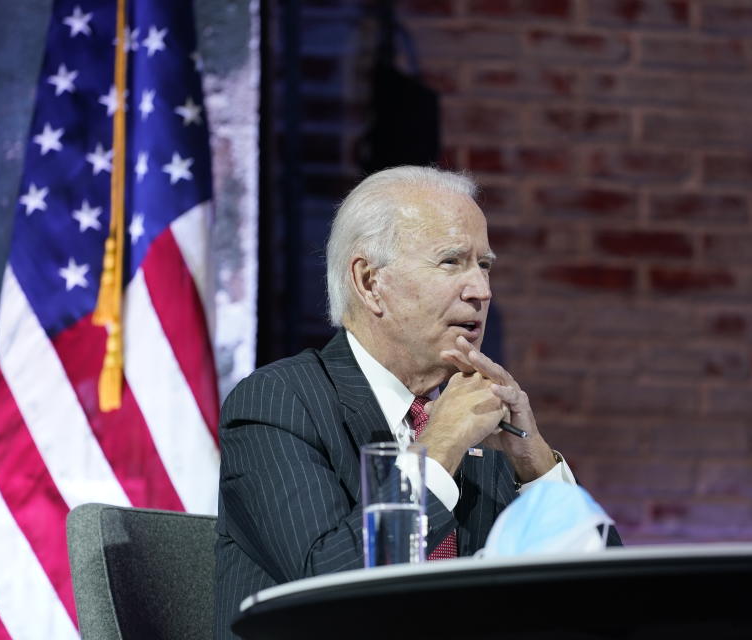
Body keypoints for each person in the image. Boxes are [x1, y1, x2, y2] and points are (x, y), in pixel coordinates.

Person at [213, 166, 621, 638]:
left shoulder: (480, 423)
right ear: (369, 282)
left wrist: (537, 468)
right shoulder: (278, 403)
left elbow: (605, 607)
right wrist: (439, 446)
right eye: (451, 262)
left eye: (484, 265)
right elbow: (330, 590)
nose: (481, 291)